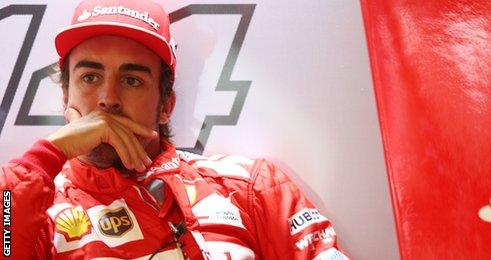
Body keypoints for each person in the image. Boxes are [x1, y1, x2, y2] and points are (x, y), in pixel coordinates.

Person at [0, 0, 350, 259]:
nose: (108, 99)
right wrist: (49, 153)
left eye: (132, 80)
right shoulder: (36, 211)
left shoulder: (248, 186)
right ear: (65, 95)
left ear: (166, 105)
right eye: (90, 77)